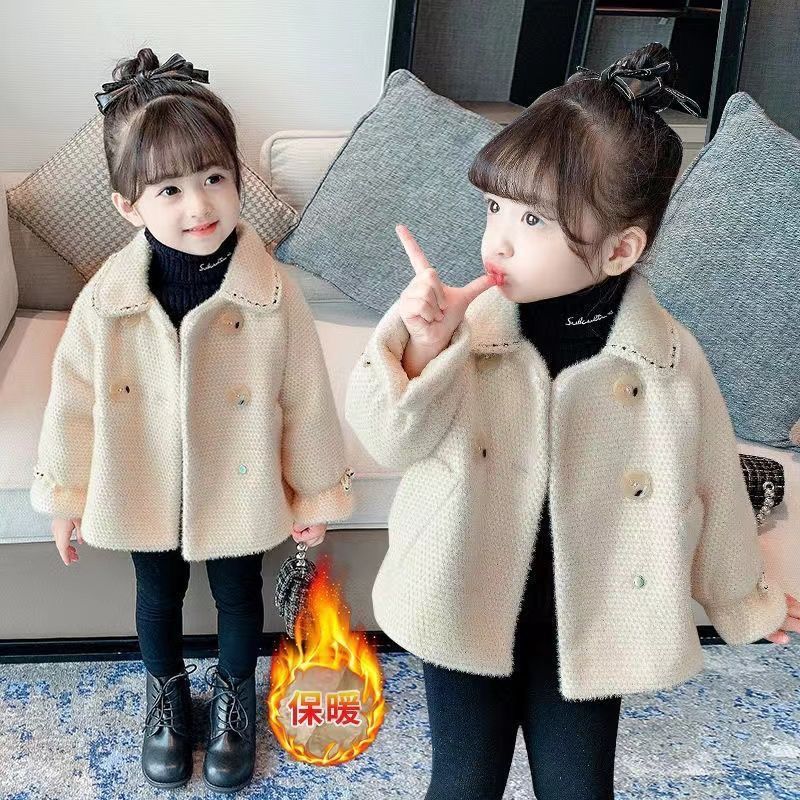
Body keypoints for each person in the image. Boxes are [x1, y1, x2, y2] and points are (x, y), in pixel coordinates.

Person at [344, 42, 798, 799]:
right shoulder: (465, 333)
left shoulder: (666, 360)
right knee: (462, 783)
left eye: (532, 218)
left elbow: (715, 482)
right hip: (460, 592)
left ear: (621, 249)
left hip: (590, 614)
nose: (497, 238)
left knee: (580, 787)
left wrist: (739, 597)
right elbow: (391, 439)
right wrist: (423, 347)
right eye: (493, 207)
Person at [30, 49, 355, 793]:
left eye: (214, 178)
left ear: (238, 180)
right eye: (169, 189)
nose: (198, 205)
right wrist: (67, 495)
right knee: (157, 597)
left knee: (239, 595)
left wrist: (311, 493)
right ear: (129, 206)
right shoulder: (105, 299)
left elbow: (306, 396)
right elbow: (73, 399)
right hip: (145, 480)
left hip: (236, 482)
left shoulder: (272, 293)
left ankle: (235, 698)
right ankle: (167, 700)